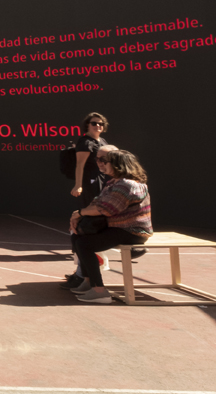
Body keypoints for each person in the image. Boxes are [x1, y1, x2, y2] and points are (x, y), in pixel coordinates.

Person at [65, 149, 152, 303]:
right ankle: (87, 282)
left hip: (131, 231)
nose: (102, 164)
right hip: (118, 228)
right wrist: (78, 215)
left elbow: (106, 209)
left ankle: (100, 292)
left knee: (84, 244)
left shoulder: (127, 185)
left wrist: (80, 213)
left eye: (105, 161)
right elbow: (96, 202)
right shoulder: (114, 183)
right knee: (78, 234)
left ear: (118, 165)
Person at [71, 112, 109, 207]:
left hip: (104, 178)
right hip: (92, 179)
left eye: (101, 124)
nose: (98, 125)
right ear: (87, 125)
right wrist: (78, 185)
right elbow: (80, 165)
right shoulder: (85, 142)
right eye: (94, 123)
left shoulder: (103, 141)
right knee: (93, 206)